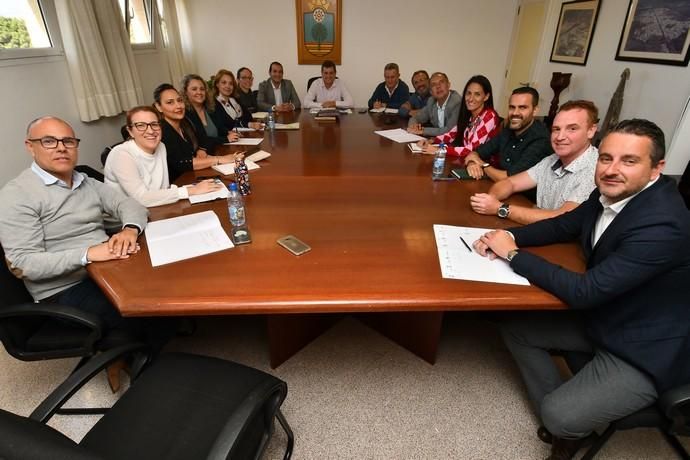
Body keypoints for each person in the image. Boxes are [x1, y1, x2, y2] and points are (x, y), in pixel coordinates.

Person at [473, 119, 690, 460]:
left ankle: (567, 424)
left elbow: (586, 291)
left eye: (629, 161)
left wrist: (512, 255)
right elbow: (563, 225)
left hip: (645, 343)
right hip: (610, 313)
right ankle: (571, 409)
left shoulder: (663, 223)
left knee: (558, 415)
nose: (611, 170)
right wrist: (510, 237)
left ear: (656, 169)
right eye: (606, 158)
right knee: (518, 329)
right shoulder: (607, 193)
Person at [0, 116, 148, 336]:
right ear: (31, 147)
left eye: (68, 141)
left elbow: (128, 204)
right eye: (49, 141)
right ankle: (131, 361)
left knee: (163, 283)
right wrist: (88, 254)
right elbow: (23, 264)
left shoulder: (85, 180)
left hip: (106, 267)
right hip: (64, 290)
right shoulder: (16, 195)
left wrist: (129, 230)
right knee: (145, 311)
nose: (61, 148)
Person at [470, 100, 599, 224]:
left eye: (572, 129)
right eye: (556, 129)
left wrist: (500, 208)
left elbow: (562, 218)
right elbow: (510, 183)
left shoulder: (595, 169)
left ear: (591, 131)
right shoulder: (551, 160)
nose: (560, 137)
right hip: (540, 233)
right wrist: (491, 199)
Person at [104, 106, 224, 207]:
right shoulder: (121, 154)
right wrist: (191, 190)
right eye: (141, 125)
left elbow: (164, 188)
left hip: (158, 207)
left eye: (154, 124)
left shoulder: (161, 146)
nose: (150, 131)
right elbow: (142, 198)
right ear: (130, 131)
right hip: (127, 222)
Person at [154, 83, 242, 182]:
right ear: (159, 106)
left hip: (193, 176)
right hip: (178, 184)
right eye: (170, 102)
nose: (178, 106)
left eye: (179, 100)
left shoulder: (185, 123)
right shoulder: (162, 131)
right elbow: (182, 163)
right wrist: (219, 159)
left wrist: (203, 151)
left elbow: (201, 141)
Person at [464, 87, 551, 183]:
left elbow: (510, 179)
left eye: (522, 107)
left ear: (535, 110)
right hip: (501, 189)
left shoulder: (541, 139)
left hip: (524, 196)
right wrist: (472, 163)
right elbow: (476, 152)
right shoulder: (508, 130)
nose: (515, 113)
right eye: (512, 107)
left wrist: (482, 165)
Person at [416, 75, 499, 159]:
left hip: (482, 165)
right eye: (468, 93)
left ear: (486, 96)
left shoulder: (489, 116)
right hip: (466, 161)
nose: (470, 99)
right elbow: (451, 135)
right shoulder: (469, 115)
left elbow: (473, 149)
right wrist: (430, 141)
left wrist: (439, 149)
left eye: (477, 94)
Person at [181, 73, 240, 147]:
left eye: (202, 89)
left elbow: (219, 128)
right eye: (194, 89)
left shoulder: (210, 109)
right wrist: (226, 139)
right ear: (185, 92)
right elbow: (200, 141)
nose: (199, 92)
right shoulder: (185, 114)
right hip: (205, 155)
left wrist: (229, 133)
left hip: (219, 149)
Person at [407, 72, 462, 137]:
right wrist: (413, 126)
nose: (438, 86)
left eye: (441, 82)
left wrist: (422, 130)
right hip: (439, 141)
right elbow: (416, 118)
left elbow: (450, 131)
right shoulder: (431, 101)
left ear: (448, 85)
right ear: (431, 91)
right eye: (433, 84)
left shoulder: (457, 102)